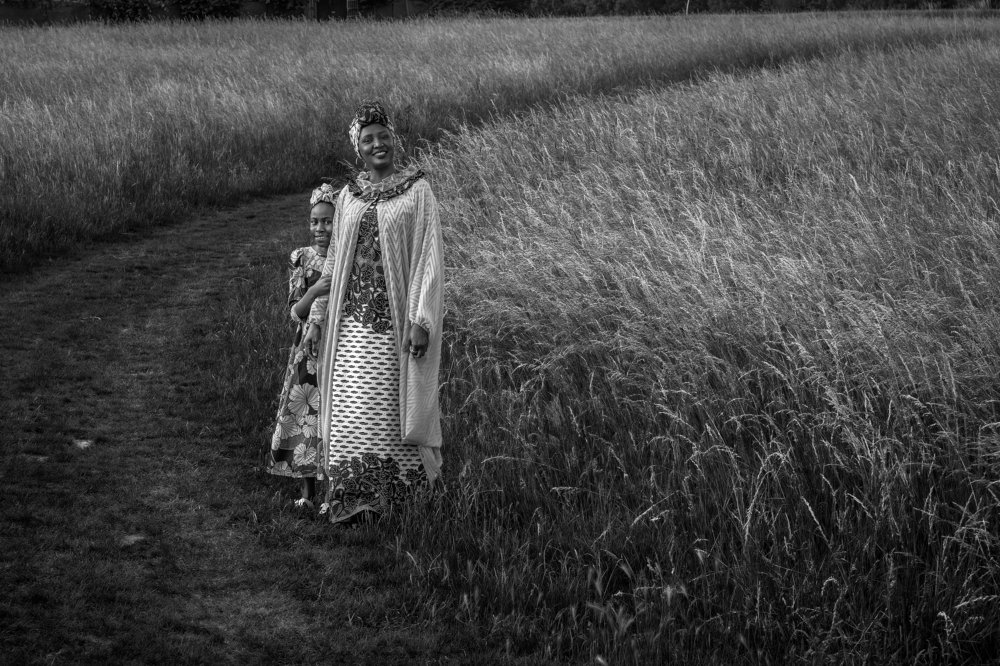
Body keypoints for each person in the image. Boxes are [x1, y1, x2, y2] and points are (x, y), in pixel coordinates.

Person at [304, 100, 444, 524]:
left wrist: (421, 320)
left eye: (384, 136)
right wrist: (317, 319)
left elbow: (429, 257)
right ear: (358, 148)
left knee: (388, 409)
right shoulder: (348, 197)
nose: (377, 143)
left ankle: (398, 503)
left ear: (394, 141)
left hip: (393, 326)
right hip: (349, 329)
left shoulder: (417, 191)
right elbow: (332, 266)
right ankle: (351, 500)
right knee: (349, 410)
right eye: (368, 139)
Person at [264, 185, 335, 510]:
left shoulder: (344, 258)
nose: (321, 228)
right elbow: (295, 311)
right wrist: (315, 289)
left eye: (328, 221)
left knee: (333, 414)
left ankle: (333, 492)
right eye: (315, 222)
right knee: (306, 413)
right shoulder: (301, 257)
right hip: (307, 348)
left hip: (338, 342)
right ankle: (307, 494)